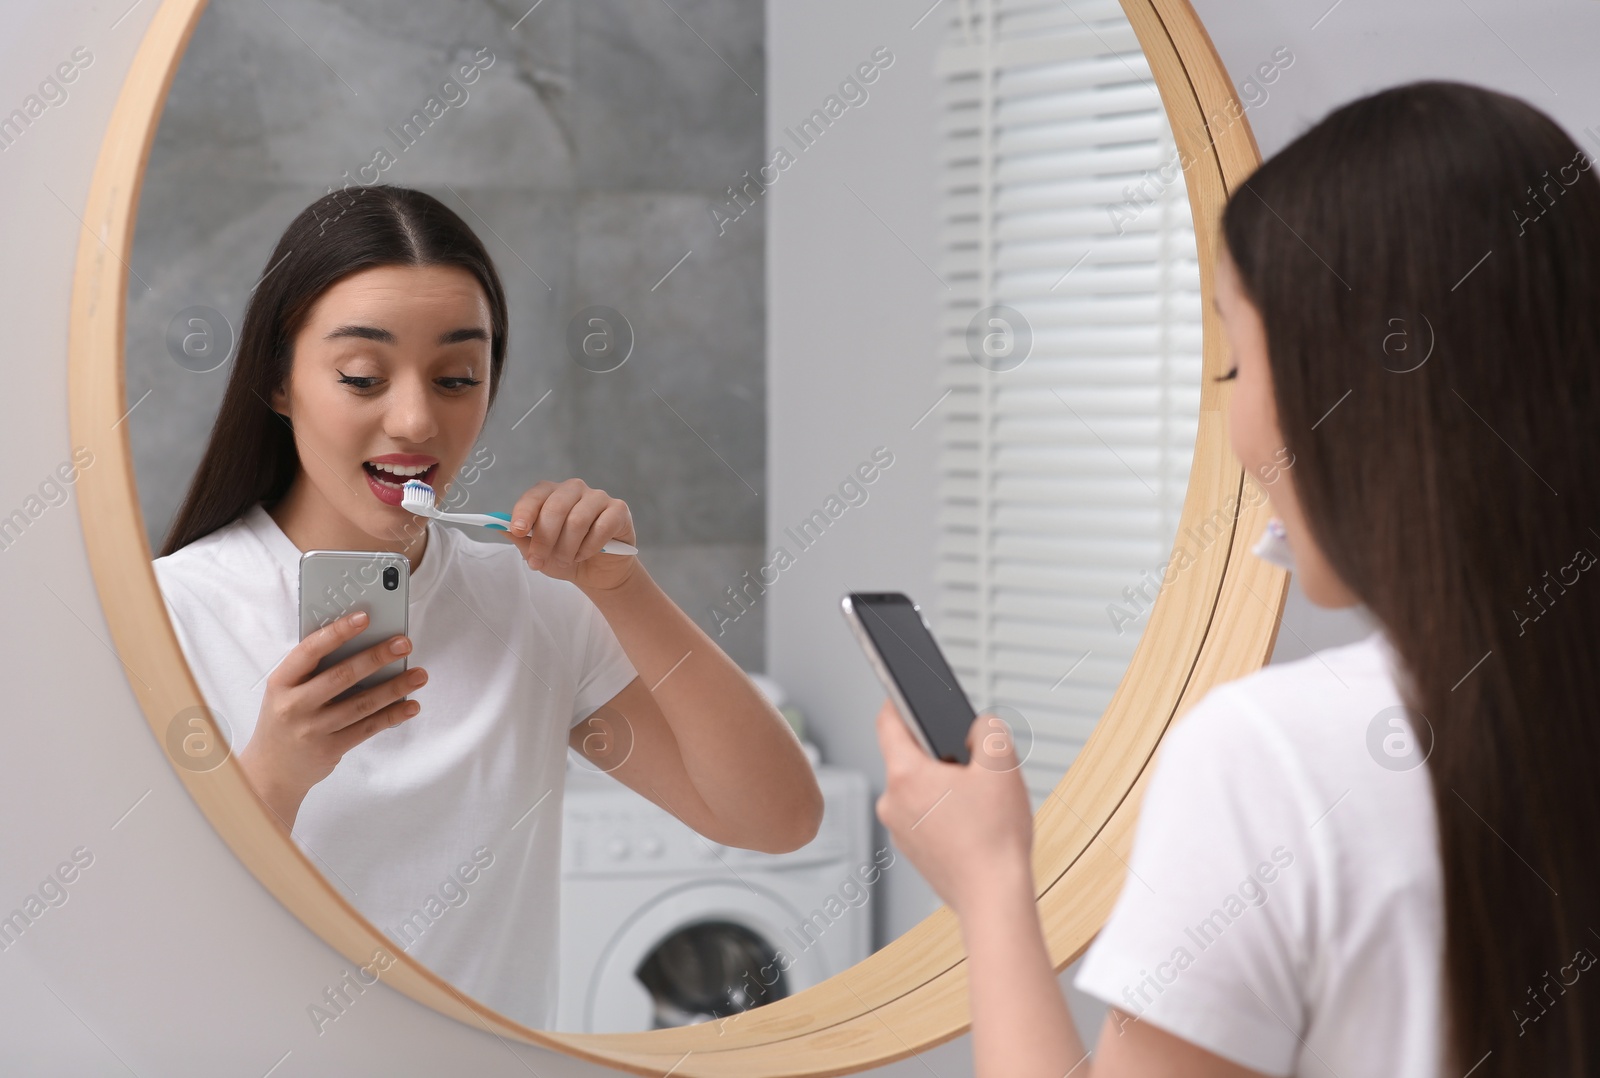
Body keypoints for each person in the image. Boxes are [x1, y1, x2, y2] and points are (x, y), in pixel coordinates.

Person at [875, 80, 1600, 1077]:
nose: (1236, 426)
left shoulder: (1275, 760)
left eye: (1233, 366)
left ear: (1347, 395)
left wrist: (990, 882)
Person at [151, 184, 823, 1030]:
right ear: (278, 382)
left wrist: (625, 593)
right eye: (362, 376)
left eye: (457, 376)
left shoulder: (538, 607)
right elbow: (137, 952)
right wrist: (277, 775)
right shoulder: (173, 613)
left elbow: (777, 818)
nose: (415, 417)